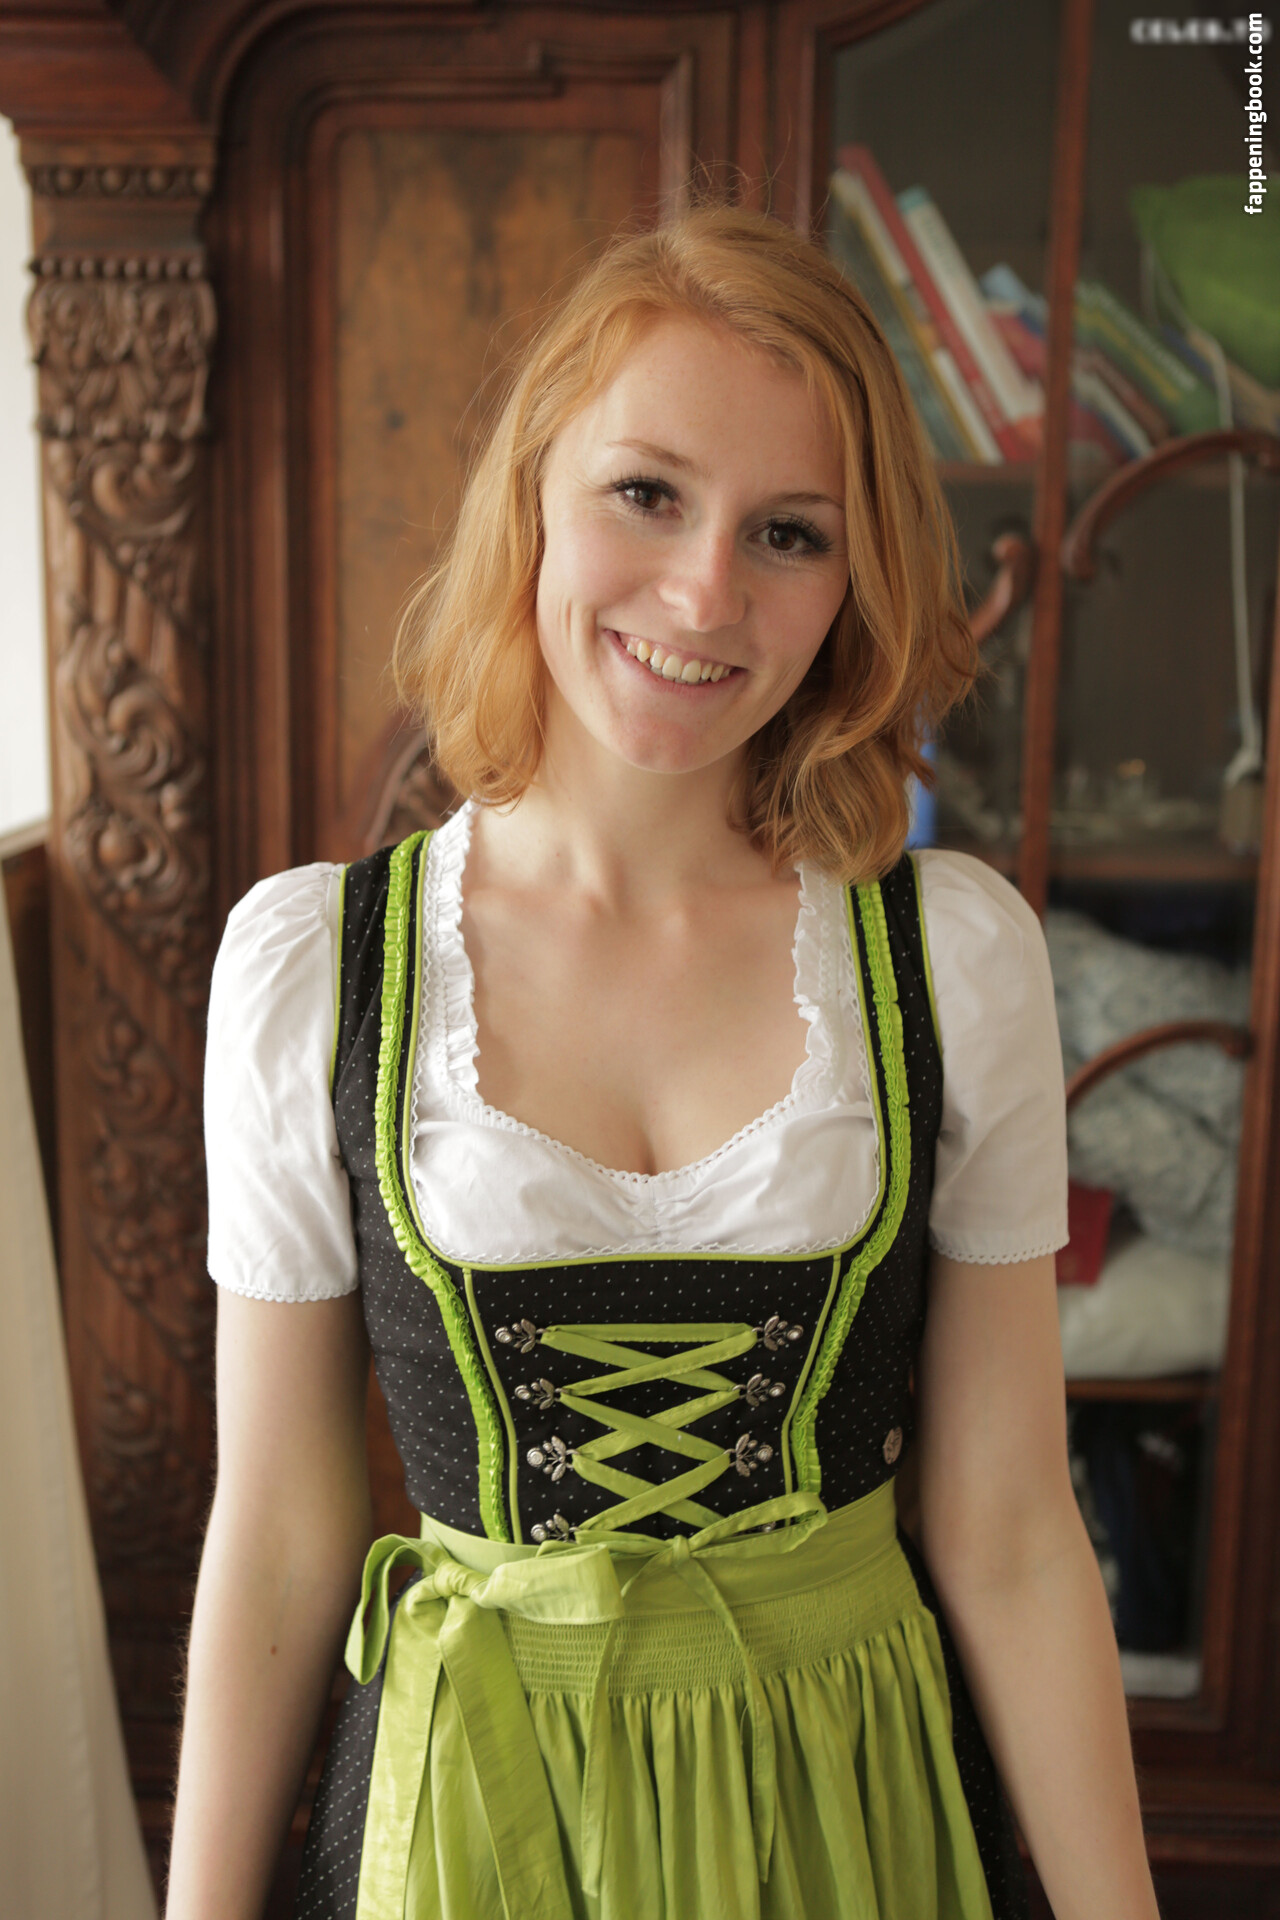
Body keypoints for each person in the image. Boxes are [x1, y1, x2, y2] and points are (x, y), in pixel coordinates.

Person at [165, 205, 1161, 1920]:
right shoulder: (317, 968)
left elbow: (1007, 1534)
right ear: (533, 493)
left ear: (853, 581)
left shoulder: (949, 957)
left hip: (849, 1809)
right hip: (469, 1821)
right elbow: (275, 1534)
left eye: (789, 533)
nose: (706, 593)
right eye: (647, 493)